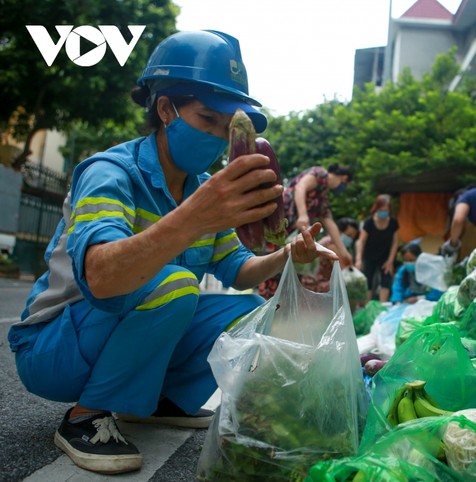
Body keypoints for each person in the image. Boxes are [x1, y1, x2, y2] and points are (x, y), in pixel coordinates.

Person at [6, 30, 336, 476]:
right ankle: (86, 417)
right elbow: (101, 278)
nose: (220, 138)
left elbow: (238, 271)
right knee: (176, 283)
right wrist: (193, 218)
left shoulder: (203, 189)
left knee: (252, 311)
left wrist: (286, 256)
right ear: (166, 110)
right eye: (207, 120)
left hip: (115, 330)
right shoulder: (110, 173)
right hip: (56, 345)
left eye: (227, 126)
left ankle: (157, 401)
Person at [283, 163, 353, 266]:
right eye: (346, 185)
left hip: (285, 230)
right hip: (278, 217)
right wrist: (303, 215)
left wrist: (344, 253)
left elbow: (329, 222)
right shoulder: (320, 173)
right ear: (344, 178)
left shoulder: (322, 197)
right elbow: (300, 187)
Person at [355, 194, 400, 302]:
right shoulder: (369, 222)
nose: (383, 212)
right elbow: (361, 241)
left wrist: (390, 261)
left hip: (386, 257)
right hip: (369, 256)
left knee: (386, 281)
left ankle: (382, 306)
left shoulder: (393, 223)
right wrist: (358, 259)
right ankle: (366, 307)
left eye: (386, 209)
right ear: (376, 208)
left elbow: (395, 243)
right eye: (381, 209)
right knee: (367, 281)